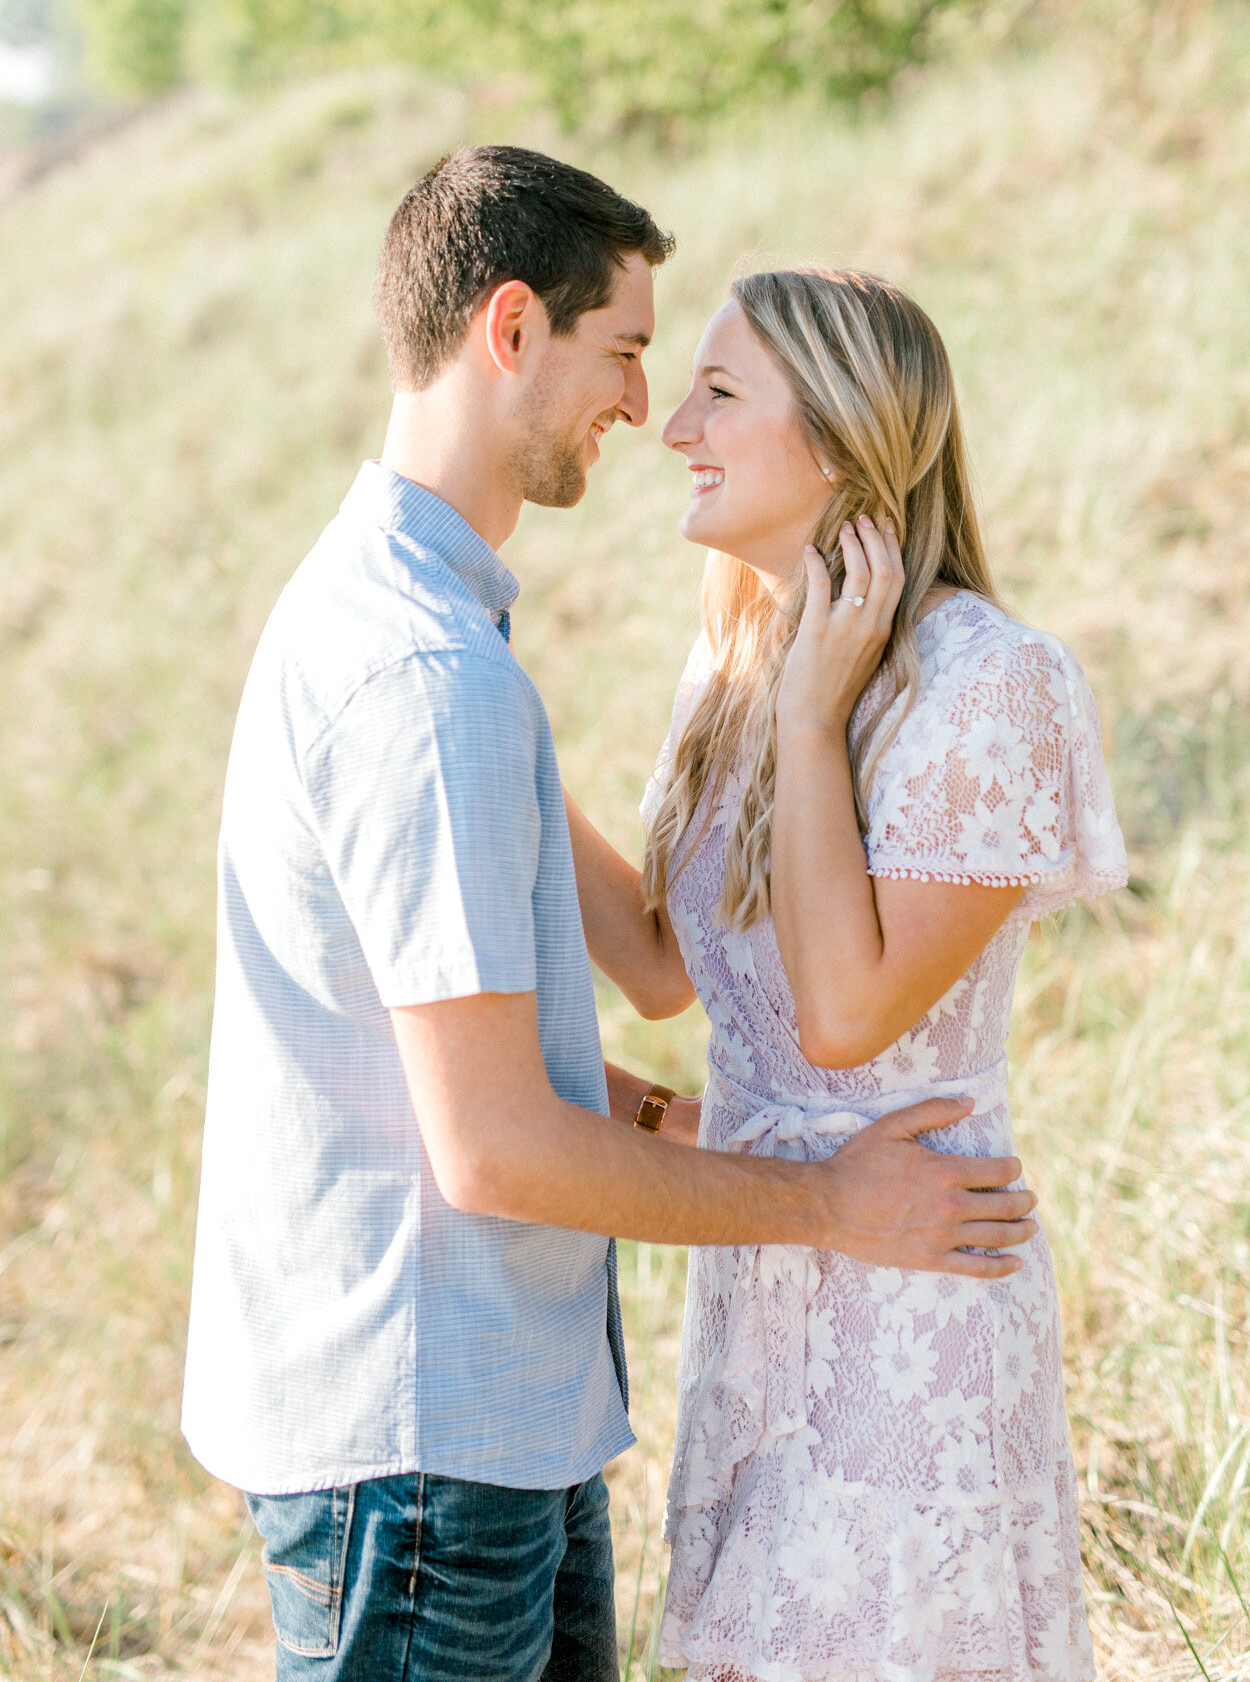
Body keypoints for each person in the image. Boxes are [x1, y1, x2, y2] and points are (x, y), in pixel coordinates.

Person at [181, 154, 1039, 1682]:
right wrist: (830, 1201)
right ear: (510, 329)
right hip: (422, 1436)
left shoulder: (437, 640)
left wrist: (671, 1115)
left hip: (492, 1415)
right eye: (630, 354)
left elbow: (624, 969)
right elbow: (496, 1148)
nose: (642, 412)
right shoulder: (425, 677)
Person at [577, 268, 1128, 1681]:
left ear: (834, 434)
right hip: (766, 1271)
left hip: (912, 1300)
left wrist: (816, 720)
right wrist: (481, 729)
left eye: (717, 392)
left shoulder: (986, 684)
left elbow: (842, 1017)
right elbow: (656, 967)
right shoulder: (734, 661)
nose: (671, 425)